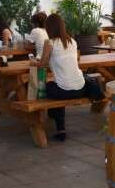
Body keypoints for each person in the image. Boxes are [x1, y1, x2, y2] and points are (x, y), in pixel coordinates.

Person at [33, 13, 87, 142]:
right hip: (81, 88)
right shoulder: (72, 41)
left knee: (45, 88)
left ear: (49, 28)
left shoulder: (49, 43)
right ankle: (57, 123)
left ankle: (56, 125)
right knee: (58, 85)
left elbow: (42, 64)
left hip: (64, 90)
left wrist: (32, 62)